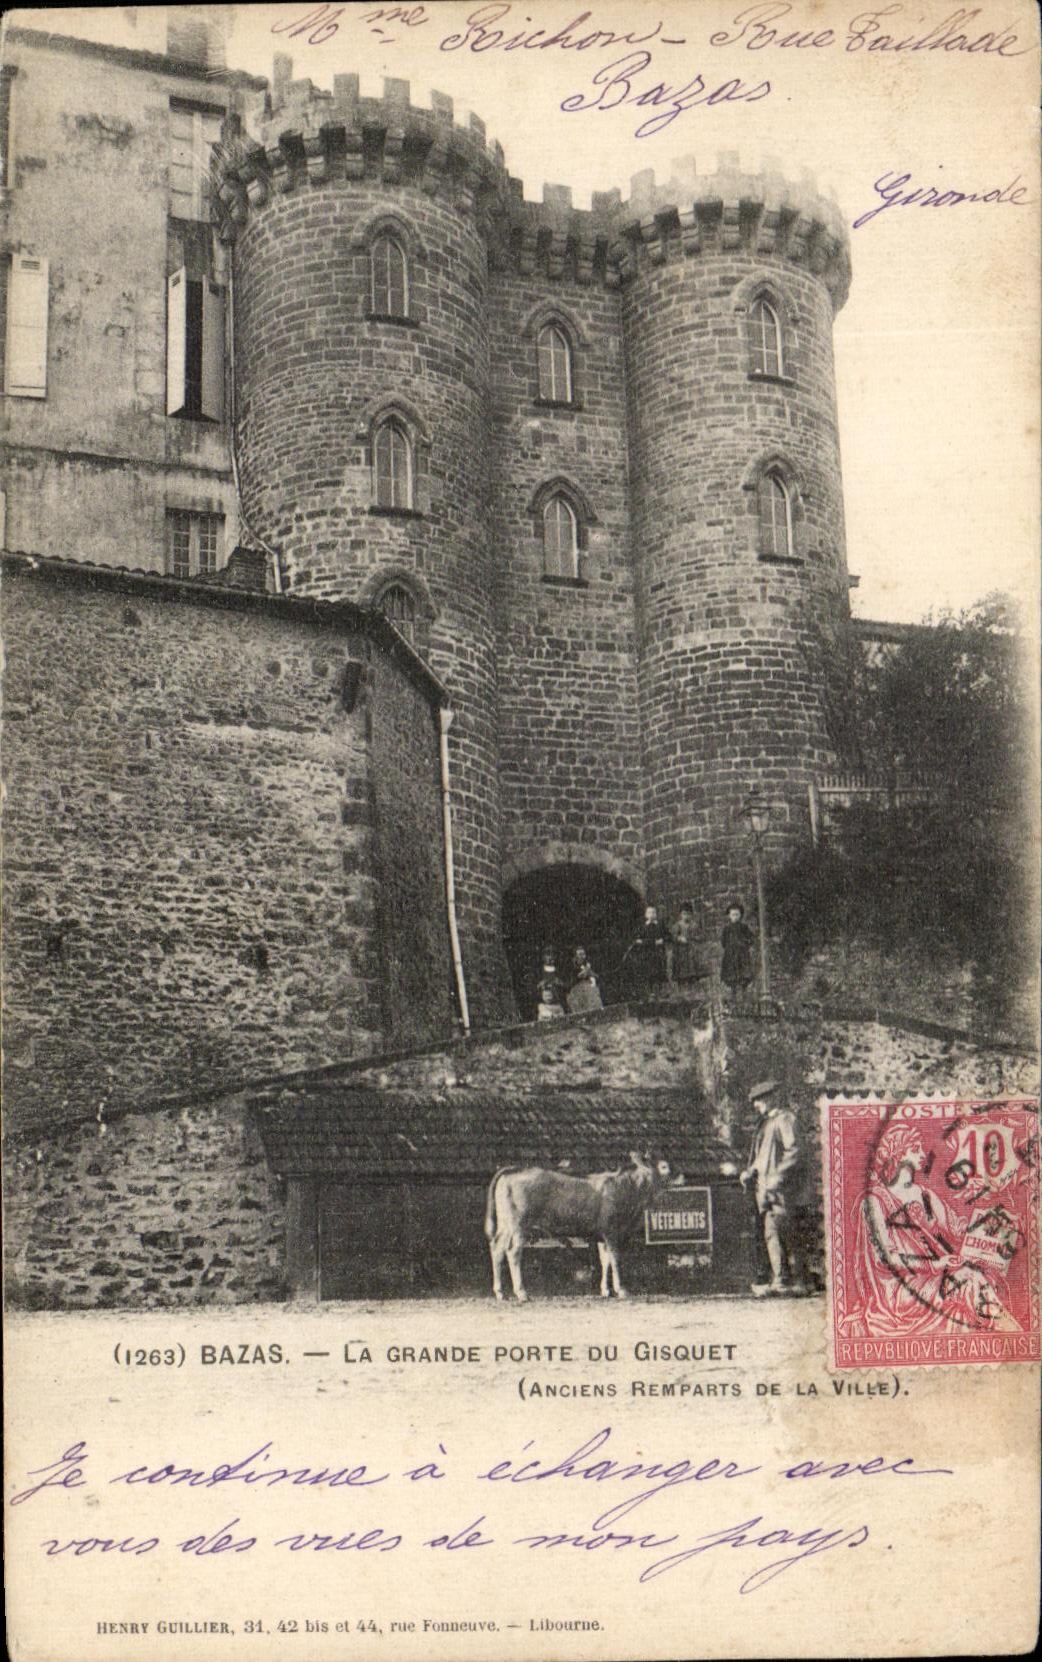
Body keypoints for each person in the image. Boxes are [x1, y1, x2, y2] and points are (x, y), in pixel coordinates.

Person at [849, 1125, 1016, 1338]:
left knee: (981, 1275)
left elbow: (958, 1229)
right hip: (900, 1289)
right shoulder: (874, 1201)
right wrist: (934, 1264)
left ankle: (1009, 1338)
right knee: (968, 1279)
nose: (922, 1154)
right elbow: (886, 1258)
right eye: (915, 1148)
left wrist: (991, 1224)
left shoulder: (925, 1195)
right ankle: (1012, 1338)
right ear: (899, 1154)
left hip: (933, 1277)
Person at [739, 1080, 807, 1296]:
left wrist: (777, 1177)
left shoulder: (785, 1119)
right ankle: (783, 1280)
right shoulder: (767, 1123)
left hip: (781, 1190)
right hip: (766, 1190)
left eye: (758, 1100)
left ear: (770, 1098)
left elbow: (794, 1150)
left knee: (783, 1232)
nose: (755, 1105)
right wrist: (750, 1171)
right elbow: (762, 1158)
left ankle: (795, 1281)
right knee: (773, 1232)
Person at [720, 901, 755, 1011]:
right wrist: (730, 947)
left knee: (743, 976)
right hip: (731, 956)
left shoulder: (744, 927)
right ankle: (733, 999)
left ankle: (744, 999)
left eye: (737, 914)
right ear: (729, 916)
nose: (735, 917)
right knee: (732, 978)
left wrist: (744, 944)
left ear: (740, 916)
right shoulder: (727, 929)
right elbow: (723, 942)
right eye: (733, 914)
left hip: (742, 956)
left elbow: (751, 939)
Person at [628, 905, 668, 997]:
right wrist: (651, 942)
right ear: (646, 915)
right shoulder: (643, 927)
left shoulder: (660, 926)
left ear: (656, 914)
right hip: (647, 953)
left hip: (658, 952)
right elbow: (637, 940)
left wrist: (663, 940)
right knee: (649, 971)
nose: (651, 914)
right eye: (649, 912)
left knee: (659, 970)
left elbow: (668, 936)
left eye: (653, 912)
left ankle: (660, 990)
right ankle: (650, 992)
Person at [670, 900, 699, 987]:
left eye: (688, 914)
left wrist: (695, 938)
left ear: (691, 915)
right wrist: (679, 938)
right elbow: (673, 936)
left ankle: (691, 980)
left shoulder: (694, 925)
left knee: (691, 964)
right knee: (681, 965)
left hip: (691, 949)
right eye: (684, 914)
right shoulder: (678, 925)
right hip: (681, 950)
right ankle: (681, 982)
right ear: (680, 915)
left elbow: (699, 935)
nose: (686, 916)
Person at [567, 946, 603, 1014]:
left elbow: (596, 976)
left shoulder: (588, 965)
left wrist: (590, 972)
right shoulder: (572, 967)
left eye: (583, 954)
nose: (582, 957)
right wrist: (585, 971)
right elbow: (573, 979)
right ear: (575, 956)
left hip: (590, 990)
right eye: (580, 954)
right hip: (577, 992)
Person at [534, 948, 566, 1021]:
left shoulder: (559, 969)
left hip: (558, 1000)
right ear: (543, 957)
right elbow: (535, 986)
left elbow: (565, 985)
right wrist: (541, 984)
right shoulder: (539, 971)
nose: (551, 957)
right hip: (545, 1002)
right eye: (548, 955)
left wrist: (559, 982)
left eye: (553, 955)